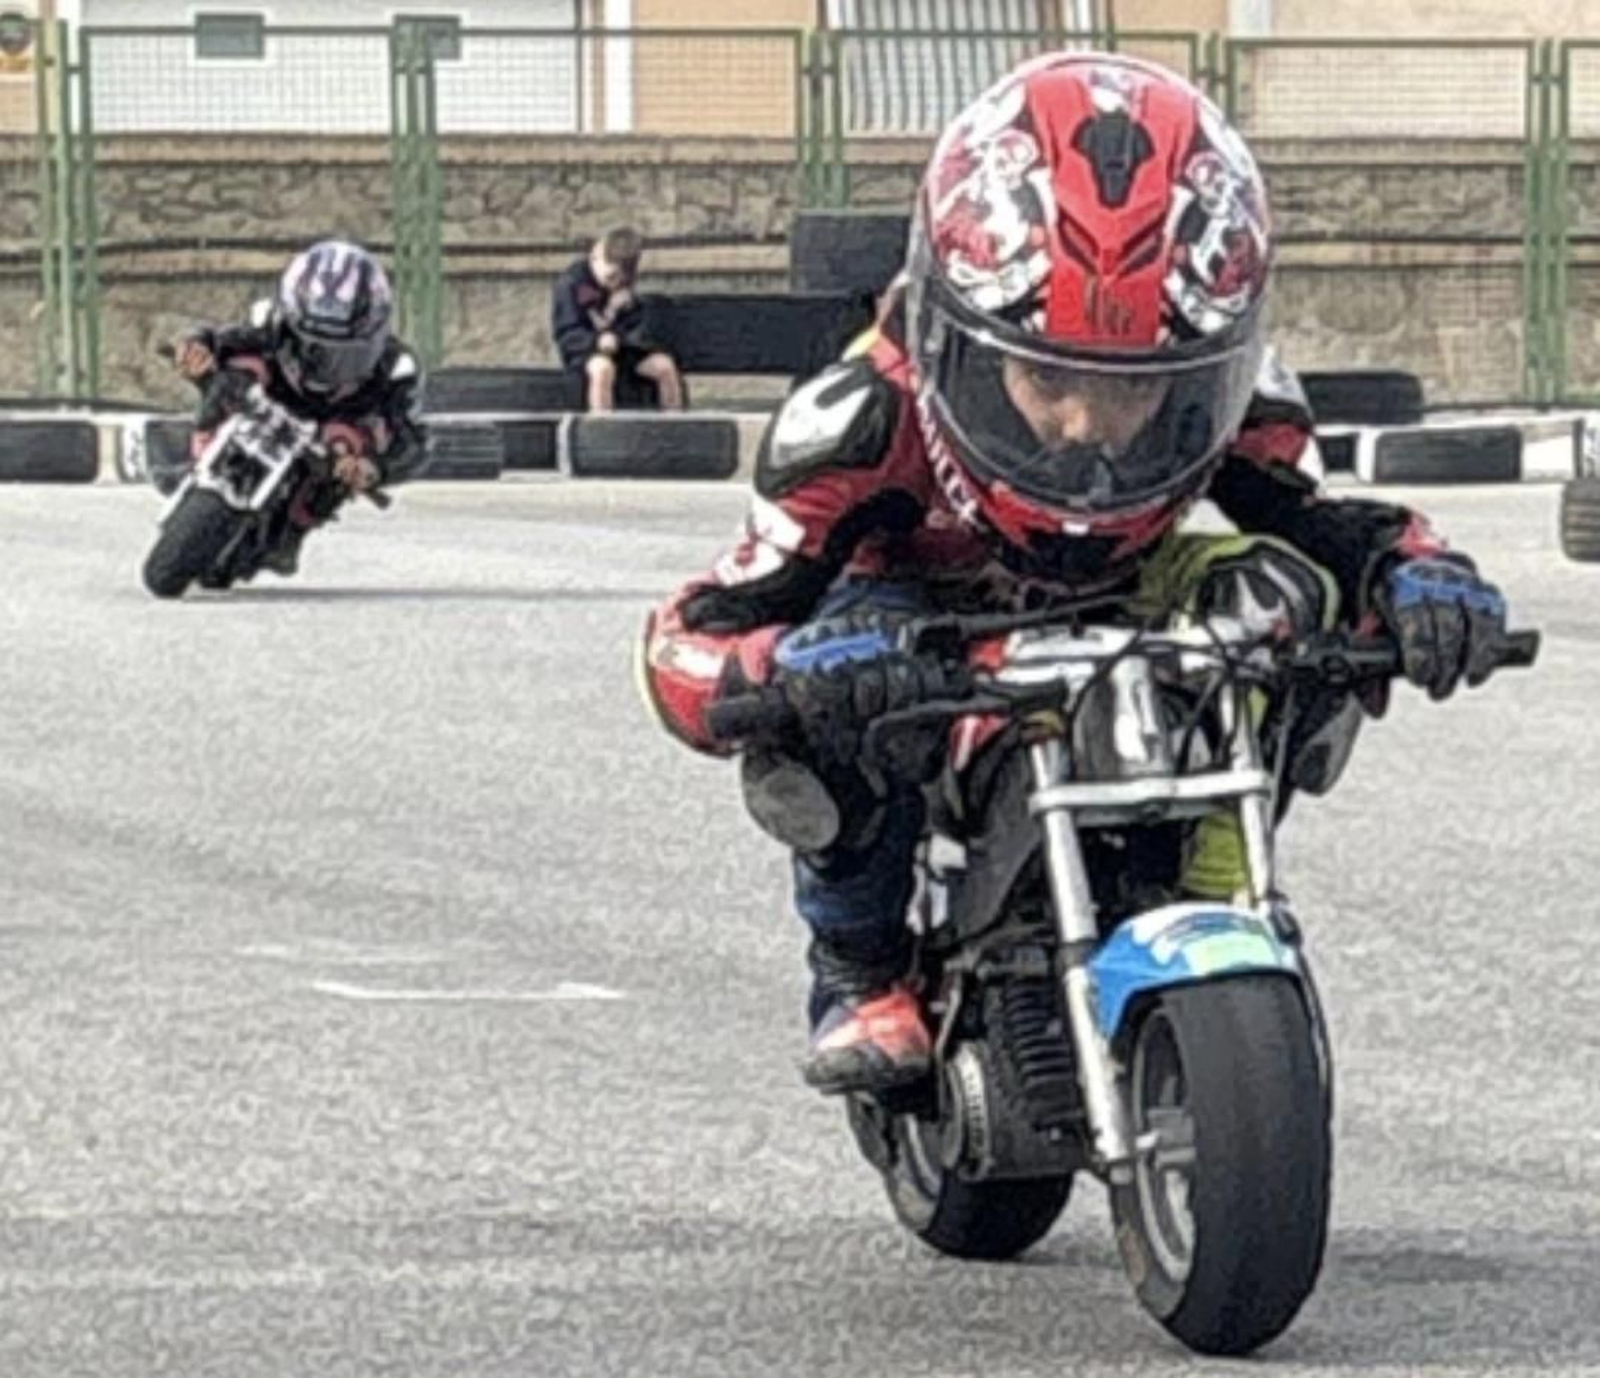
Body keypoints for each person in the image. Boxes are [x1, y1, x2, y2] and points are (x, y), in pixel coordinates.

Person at [636, 54, 1514, 1098]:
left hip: (1133, 593)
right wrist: (784, 672)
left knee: (1284, 589)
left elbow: (1327, 522)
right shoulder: (855, 421)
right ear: (955, 334)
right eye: (1048, 377)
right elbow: (692, 628)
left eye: (1134, 390)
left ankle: (1223, 877)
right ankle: (858, 967)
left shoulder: (1236, 405)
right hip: (921, 616)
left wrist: (1422, 576)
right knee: (837, 679)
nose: (1087, 426)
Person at [169, 238, 427, 575]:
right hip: (268, 398)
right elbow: (219, 339)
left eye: (344, 354)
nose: (326, 366)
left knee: (349, 441)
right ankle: (197, 452)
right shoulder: (268, 323)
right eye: (312, 348)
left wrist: (372, 467)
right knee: (240, 370)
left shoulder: (396, 368)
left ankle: (293, 527)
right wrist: (196, 347)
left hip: (327, 433)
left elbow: (414, 443)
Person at [551, 226, 685, 413]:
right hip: (586, 352)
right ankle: (603, 427)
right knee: (603, 370)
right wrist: (597, 341)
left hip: (624, 351)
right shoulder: (571, 284)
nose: (614, 284)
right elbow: (566, 333)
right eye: (610, 277)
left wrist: (624, 316)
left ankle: (676, 424)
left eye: (621, 279)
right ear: (596, 257)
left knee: (664, 365)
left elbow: (634, 327)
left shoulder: (622, 287)